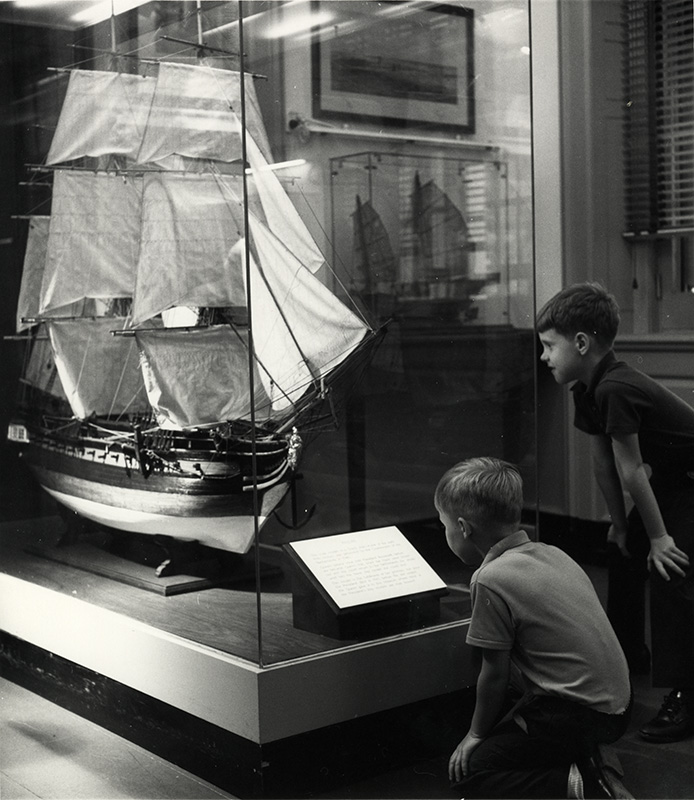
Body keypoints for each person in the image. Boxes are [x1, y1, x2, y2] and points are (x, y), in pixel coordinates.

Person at [537, 282, 694, 743]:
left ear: (581, 344)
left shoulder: (616, 388)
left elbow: (631, 473)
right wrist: (622, 529)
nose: (544, 357)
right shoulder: (586, 390)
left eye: (549, 346)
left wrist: (661, 538)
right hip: (670, 477)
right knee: (624, 555)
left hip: (690, 482)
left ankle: (684, 696)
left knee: (671, 567)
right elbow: (602, 464)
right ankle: (628, 657)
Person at [435, 457, 632, 799]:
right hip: (618, 709)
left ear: (464, 528)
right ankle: (594, 758)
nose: (447, 533)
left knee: (471, 772)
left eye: (445, 525)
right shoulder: (553, 553)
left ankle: (582, 785)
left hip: (578, 716)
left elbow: (494, 673)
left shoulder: (489, 578)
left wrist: (476, 735)